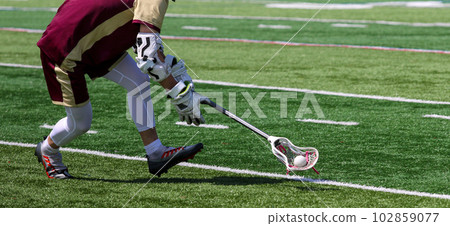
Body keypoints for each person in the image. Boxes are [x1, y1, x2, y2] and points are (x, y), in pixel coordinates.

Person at [34, 0, 207, 179]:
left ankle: (155, 152)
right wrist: (180, 95)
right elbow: (150, 59)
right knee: (80, 123)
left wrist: (175, 79)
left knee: (138, 81)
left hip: (89, 37)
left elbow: (144, 42)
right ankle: (48, 150)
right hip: (66, 47)